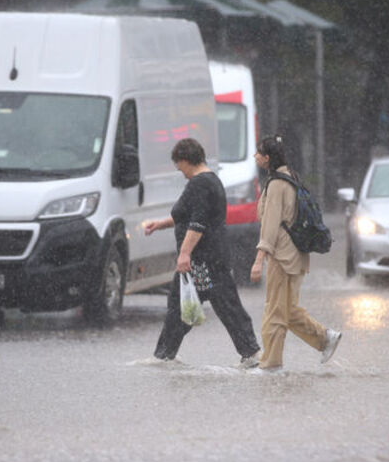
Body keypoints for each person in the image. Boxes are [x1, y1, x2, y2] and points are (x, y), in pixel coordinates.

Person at [144, 138, 261, 367]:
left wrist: (184, 254)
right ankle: (165, 356)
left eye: (180, 167)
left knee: (208, 305)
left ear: (187, 161)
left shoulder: (199, 184)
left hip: (201, 261)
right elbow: (185, 216)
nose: (181, 173)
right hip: (209, 258)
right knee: (206, 304)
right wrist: (160, 224)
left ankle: (164, 357)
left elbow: (198, 223)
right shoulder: (211, 181)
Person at [250, 134, 341, 371]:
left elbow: (269, 226)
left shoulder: (277, 184)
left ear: (268, 158)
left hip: (282, 256)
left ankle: (270, 365)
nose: (255, 157)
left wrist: (259, 260)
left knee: (274, 312)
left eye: (258, 153)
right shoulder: (290, 176)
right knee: (286, 310)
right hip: (296, 255)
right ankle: (325, 338)